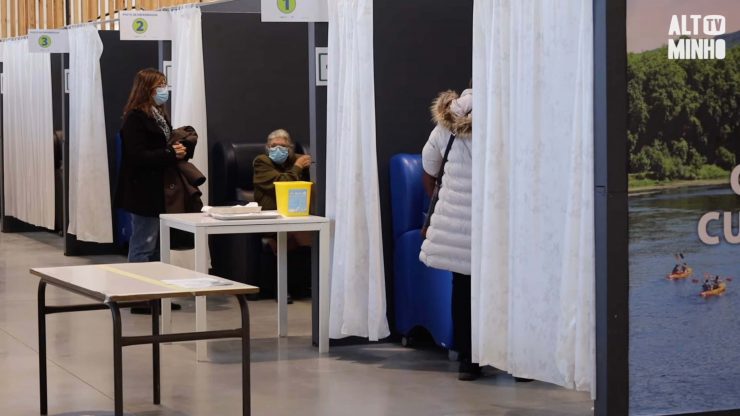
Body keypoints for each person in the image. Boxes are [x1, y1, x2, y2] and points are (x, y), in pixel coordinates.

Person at [418, 88, 476, 380]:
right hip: (494, 218)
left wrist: (441, 200)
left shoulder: (447, 121)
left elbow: (429, 167)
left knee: (463, 286)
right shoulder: (506, 116)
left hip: (456, 221)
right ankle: (515, 361)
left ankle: (467, 359)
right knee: (507, 286)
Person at [116, 68, 189, 263]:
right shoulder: (135, 118)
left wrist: (178, 149)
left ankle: (156, 283)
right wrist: (170, 153)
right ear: (146, 89)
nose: (164, 89)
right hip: (143, 191)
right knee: (143, 245)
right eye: (160, 86)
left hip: (161, 190)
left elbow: (162, 145)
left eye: (165, 84)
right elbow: (137, 155)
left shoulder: (160, 115)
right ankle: (138, 282)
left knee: (158, 247)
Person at [253, 129, 313, 298]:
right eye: (274, 146)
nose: (278, 150)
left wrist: (306, 162)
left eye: (283, 146)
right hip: (270, 217)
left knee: (303, 234)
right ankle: (282, 287)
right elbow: (281, 182)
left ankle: (297, 285)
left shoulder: (295, 159)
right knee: (296, 236)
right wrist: (298, 167)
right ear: (267, 147)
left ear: (290, 148)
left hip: (294, 214)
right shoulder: (262, 161)